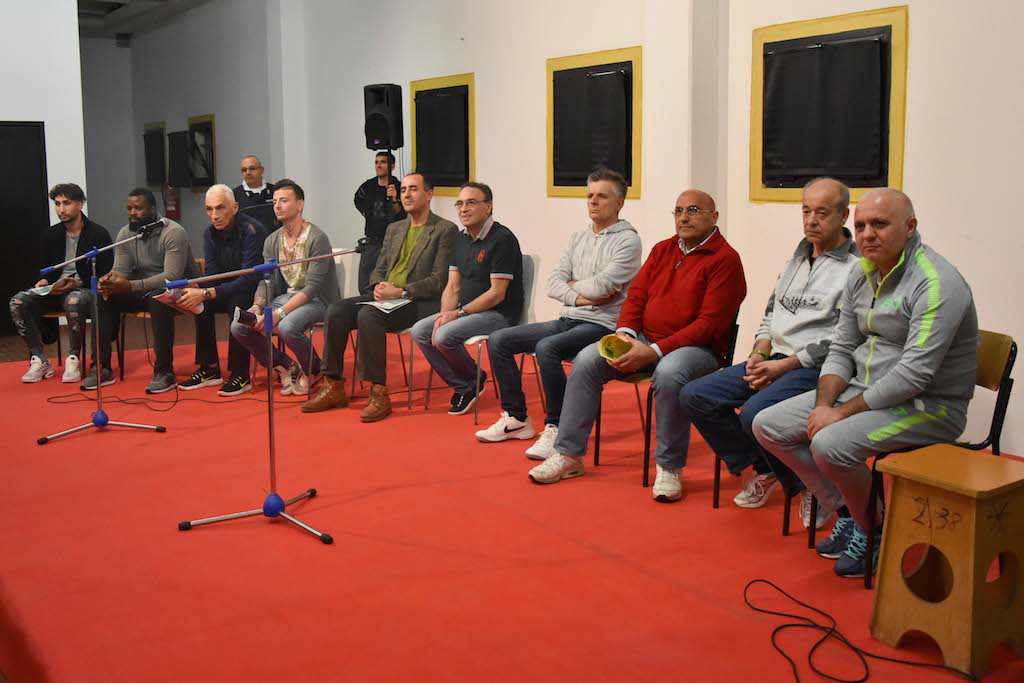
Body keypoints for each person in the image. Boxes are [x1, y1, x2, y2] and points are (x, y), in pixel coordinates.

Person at [753, 188, 978, 578]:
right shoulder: (862, 271)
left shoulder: (937, 283)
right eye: (860, 226)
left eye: (880, 224)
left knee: (830, 445)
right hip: (865, 391)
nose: (867, 234)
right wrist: (825, 405)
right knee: (767, 425)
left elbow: (915, 374)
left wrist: (839, 414)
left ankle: (873, 530)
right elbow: (842, 346)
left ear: (910, 227)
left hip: (929, 406)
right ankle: (851, 511)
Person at [527, 189, 746, 504]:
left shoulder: (725, 259)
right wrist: (626, 335)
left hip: (697, 349)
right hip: (644, 339)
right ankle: (568, 455)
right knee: (588, 359)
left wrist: (654, 352)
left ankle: (669, 467)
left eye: (693, 210)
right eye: (678, 211)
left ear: (714, 217)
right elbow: (636, 296)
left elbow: (709, 324)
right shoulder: (663, 249)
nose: (684, 217)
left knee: (669, 374)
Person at [680, 178, 858, 527]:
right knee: (695, 395)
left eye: (822, 213)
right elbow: (771, 314)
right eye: (806, 211)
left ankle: (813, 487)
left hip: (814, 368)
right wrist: (760, 352)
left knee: (754, 413)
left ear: (843, 216)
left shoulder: (855, 270)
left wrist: (784, 366)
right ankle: (767, 468)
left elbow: (842, 338)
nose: (811, 220)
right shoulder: (796, 260)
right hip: (774, 359)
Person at [474, 167, 642, 459]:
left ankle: (557, 427)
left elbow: (603, 286)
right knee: (499, 340)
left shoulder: (629, 240)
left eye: (602, 196)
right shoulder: (578, 237)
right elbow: (554, 283)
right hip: (569, 317)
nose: (593, 201)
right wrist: (579, 296)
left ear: (619, 202)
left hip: (603, 324)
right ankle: (516, 418)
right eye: (590, 195)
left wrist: (573, 287)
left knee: (547, 348)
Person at [302, 172, 457, 421]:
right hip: (386, 297)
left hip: (417, 301)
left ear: (429, 194)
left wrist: (401, 291)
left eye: (413, 189)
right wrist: (377, 286)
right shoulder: (395, 228)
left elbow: (439, 280)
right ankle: (333, 384)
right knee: (336, 310)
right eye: (403, 190)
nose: (406, 195)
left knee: (369, 315)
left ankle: (379, 392)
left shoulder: (445, 229)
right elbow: (379, 267)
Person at [411, 182, 524, 416]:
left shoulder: (502, 239)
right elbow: (453, 286)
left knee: (443, 336)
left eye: (471, 203)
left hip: (499, 313)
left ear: (488, 207)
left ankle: (469, 383)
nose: (463, 209)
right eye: (460, 204)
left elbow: (497, 293)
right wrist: (445, 315)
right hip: (468, 311)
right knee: (421, 331)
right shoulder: (460, 239)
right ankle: (468, 382)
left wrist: (458, 314)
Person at [230, 178, 341, 396]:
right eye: (274, 202)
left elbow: (313, 288)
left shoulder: (317, 238)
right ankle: (287, 365)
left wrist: (279, 313)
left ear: (300, 205)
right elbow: (266, 280)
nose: (277, 206)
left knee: (288, 326)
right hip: (286, 298)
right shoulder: (272, 240)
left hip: (318, 300)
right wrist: (257, 305)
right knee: (239, 326)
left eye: (283, 201)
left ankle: (315, 369)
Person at [84, 188, 199, 393]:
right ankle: (101, 366)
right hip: (142, 290)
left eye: (138, 208)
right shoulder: (126, 234)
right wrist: (110, 282)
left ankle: (164, 371)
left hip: (179, 291)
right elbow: (121, 271)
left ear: (153, 209)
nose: (132, 213)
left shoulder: (173, 232)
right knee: (102, 297)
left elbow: (171, 277)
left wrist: (130, 286)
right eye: (129, 208)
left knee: (158, 298)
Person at [10, 183, 112, 383]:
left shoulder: (98, 233)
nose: (61, 209)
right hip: (55, 290)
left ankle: (73, 359)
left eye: (66, 203)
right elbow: (45, 269)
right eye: (57, 204)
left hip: (83, 291)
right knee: (18, 302)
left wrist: (76, 282)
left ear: (80, 204)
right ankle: (39, 359)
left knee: (74, 300)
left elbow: (105, 272)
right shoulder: (51, 234)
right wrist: (44, 282)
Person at [175, 184, 268, 396]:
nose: (214, 215)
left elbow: (249, 278)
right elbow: (212, 273)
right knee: (199, 304)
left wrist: (209, 292)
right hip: (226, 287)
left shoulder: (252, 231)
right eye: (209, 209)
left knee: (237, 303)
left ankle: (240, 374)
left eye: (220, 208)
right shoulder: (209, 233)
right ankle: (209, 368)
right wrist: (198, 289)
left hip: (253, 290)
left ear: (234, 207)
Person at [354, 150, 406, 294]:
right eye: (376, 162)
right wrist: (367, 214)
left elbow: (403, 215)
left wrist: (394, 199)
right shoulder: (368, 186)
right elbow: (357, 199)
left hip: (393, 243)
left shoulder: (399, 187)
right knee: (365, 284)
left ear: (392, 166)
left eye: (383, 162)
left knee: (387, 282)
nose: (378, 165)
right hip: (372, 242)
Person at [233, 155, 275, 230]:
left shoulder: (275, 191)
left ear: (262, 170)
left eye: (252, 168)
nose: (248, 172)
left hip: (275, 236)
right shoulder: (234, 195)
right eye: (244, 170)